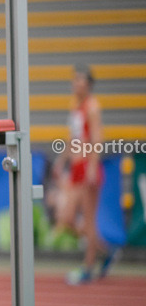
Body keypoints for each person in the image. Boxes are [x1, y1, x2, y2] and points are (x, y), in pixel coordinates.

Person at [56, 65, 117, 285]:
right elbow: (74, 139)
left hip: (87, 169)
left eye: (81, 81)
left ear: (89, 84)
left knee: (89, 221)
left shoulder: (92, 107)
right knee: (67, 219)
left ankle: (88, 267)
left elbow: (97, 138)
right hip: (75, 169)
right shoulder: (76, 107)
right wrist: (62, 160)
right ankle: (104, 250)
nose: (77, 84)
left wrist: (92, 166)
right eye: (75, 80)